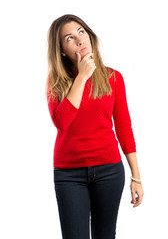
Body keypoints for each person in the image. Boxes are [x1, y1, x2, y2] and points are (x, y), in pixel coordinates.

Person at [45, 14, 144, 239]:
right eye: (69, 38)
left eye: (81, 32)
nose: (79, 40)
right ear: (62, 50)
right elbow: (61, 122)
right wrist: (82, 77)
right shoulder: (56, 81)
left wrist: (136, 176)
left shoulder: (113, 78)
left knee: (105, 235)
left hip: (109, 171)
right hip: (69, 174)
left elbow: (124, 129)